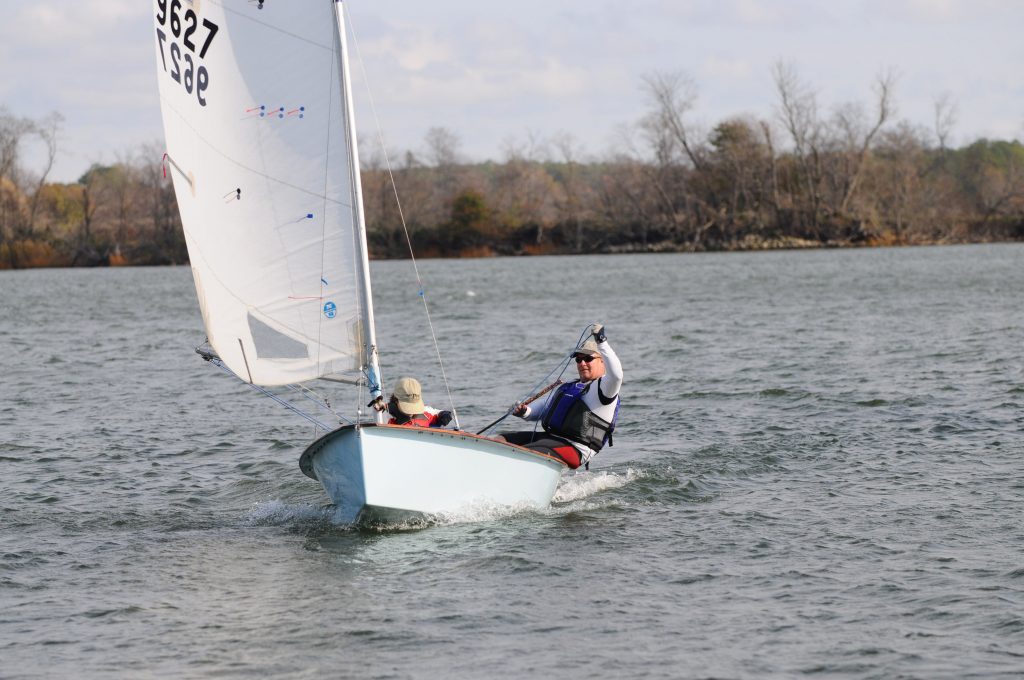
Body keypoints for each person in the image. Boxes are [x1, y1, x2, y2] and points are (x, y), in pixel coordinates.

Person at [498, 324, 622, 469]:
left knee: (526, 453)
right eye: (578, 359)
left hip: (575, 448)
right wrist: (524, 412)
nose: (582, 363)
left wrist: (601, 341)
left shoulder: (605, 389)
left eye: (588, 358)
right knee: (500, 440)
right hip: (550, 439)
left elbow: (617, 375)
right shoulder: (570, 386)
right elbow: (544, 408)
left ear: (602, 361)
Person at [384, 376, 453, 428]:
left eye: (413, 405)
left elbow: (436, 415)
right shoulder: (387, 417)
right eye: (408, 405)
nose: (411, 411)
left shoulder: (425, 415)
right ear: (396, 401)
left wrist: (443, 414)